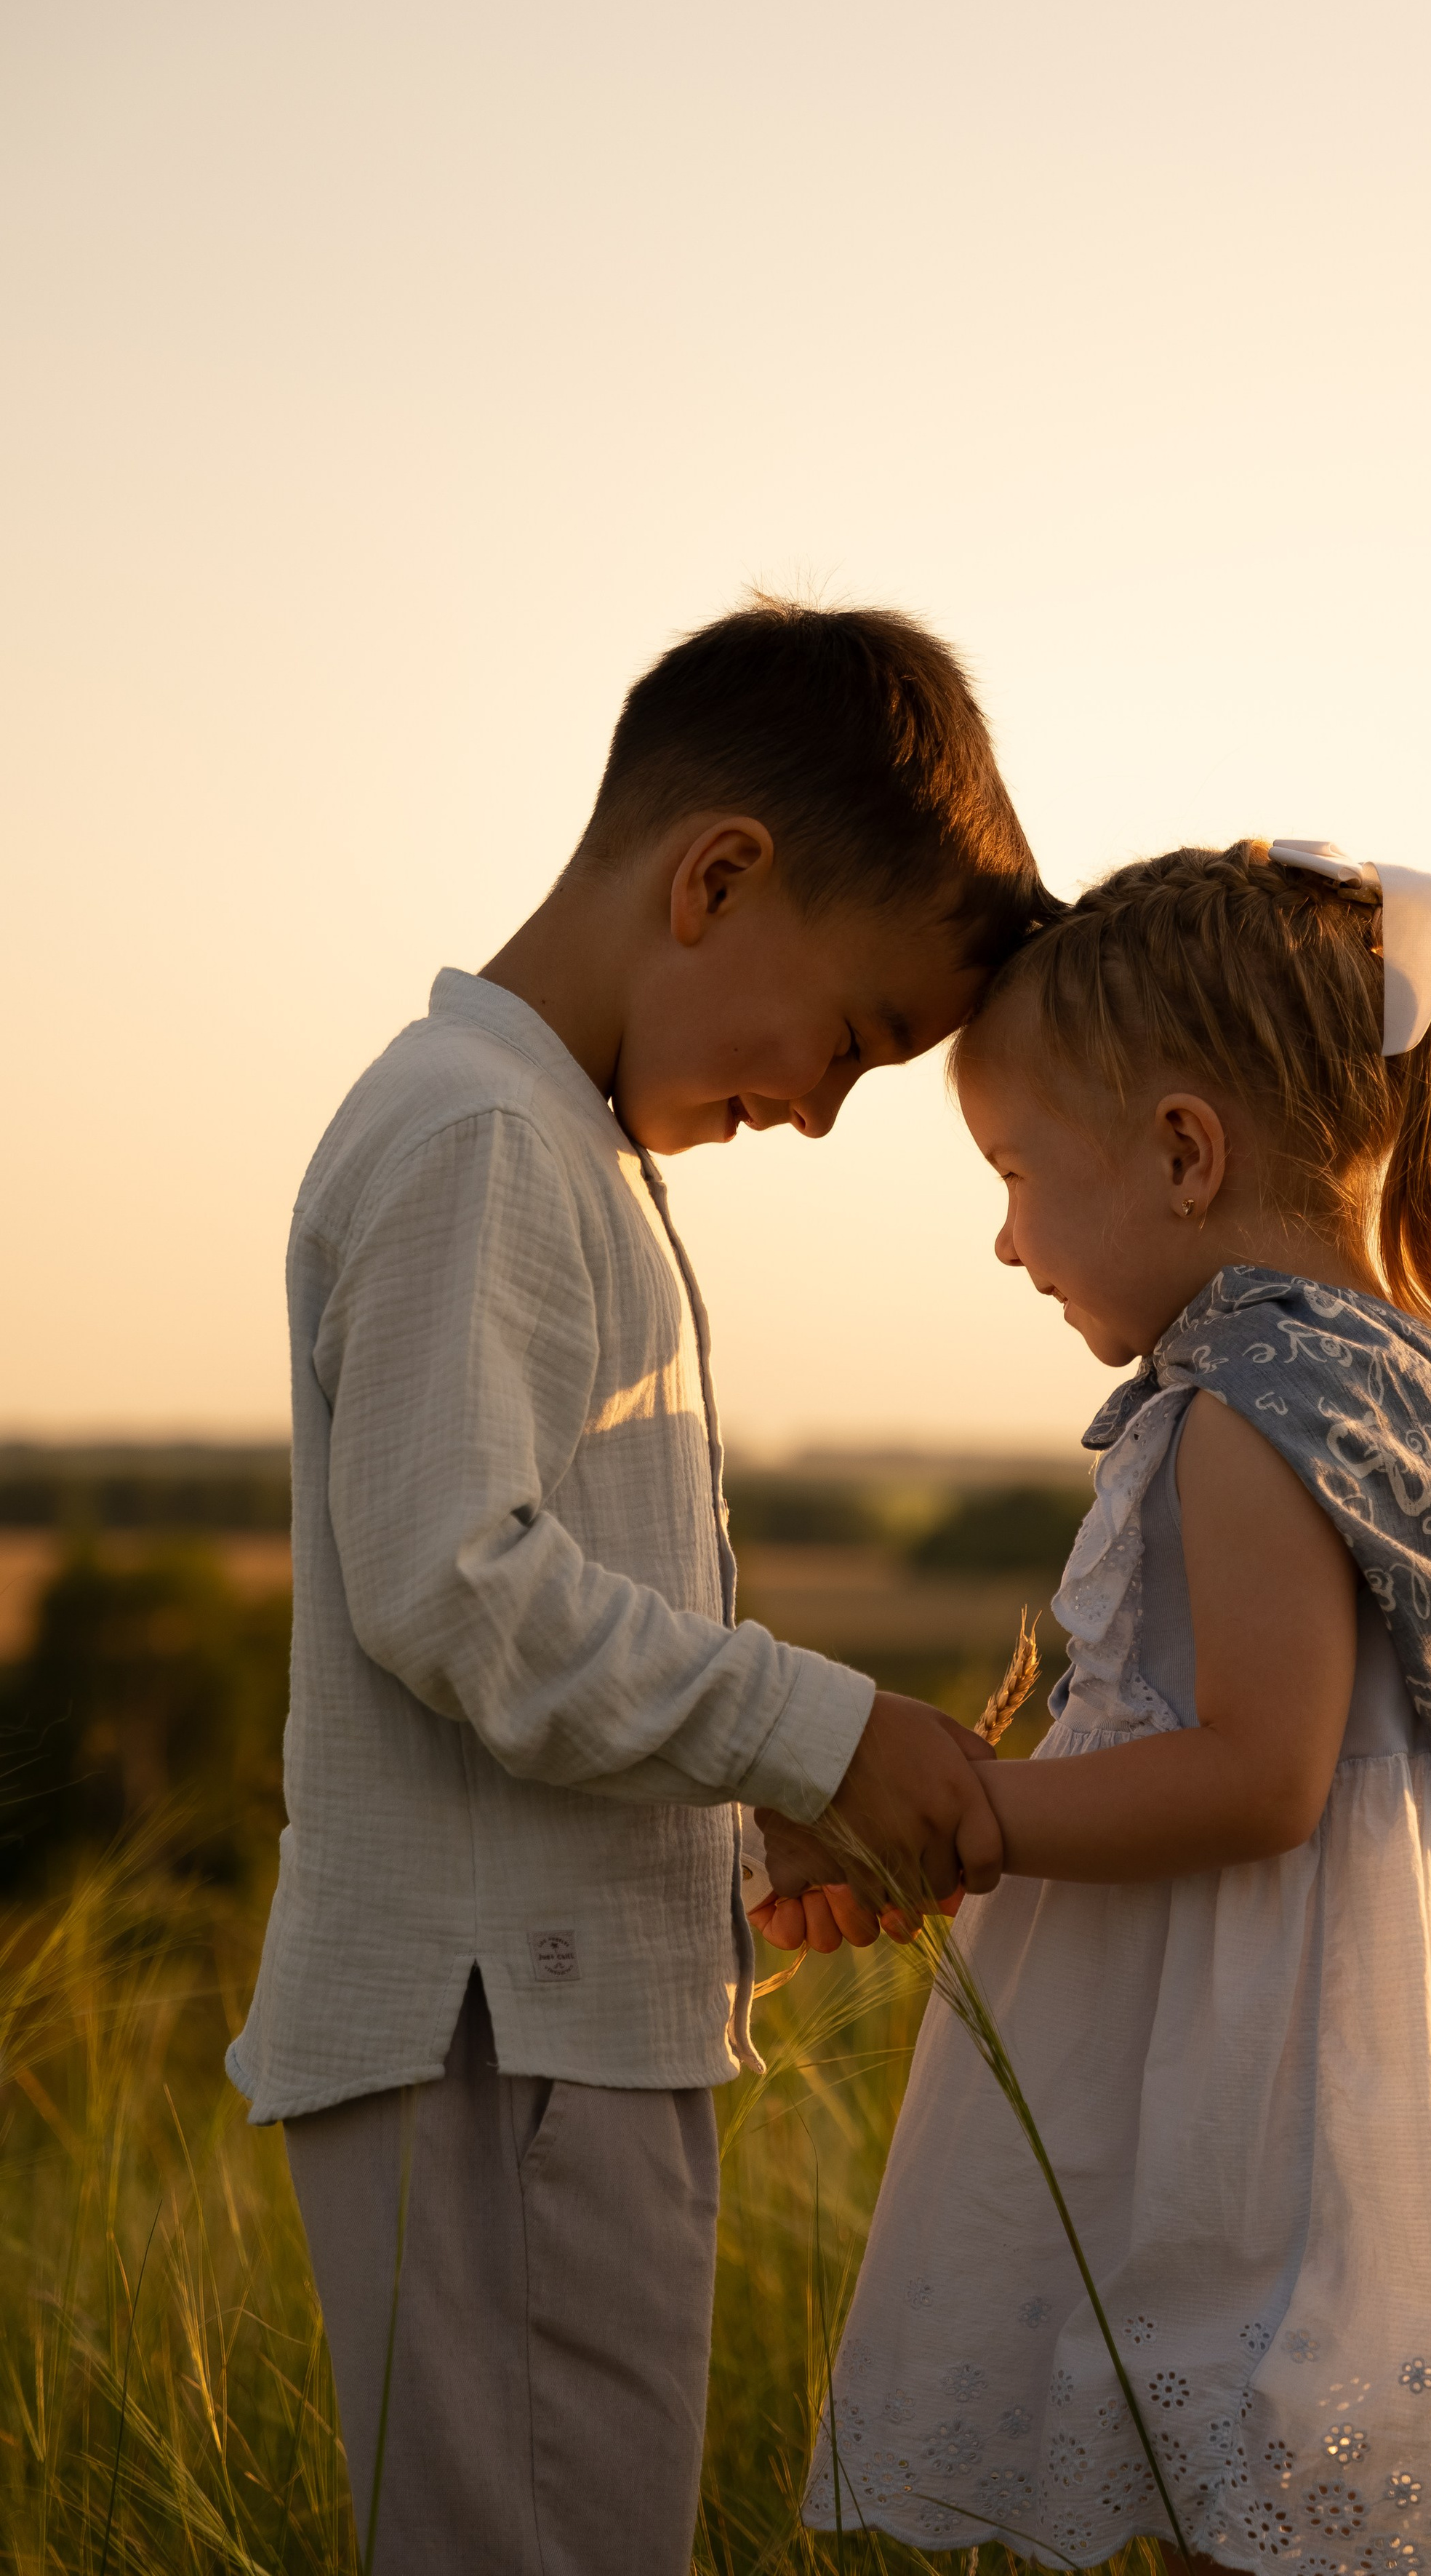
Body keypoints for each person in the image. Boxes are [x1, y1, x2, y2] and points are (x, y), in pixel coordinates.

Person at [225, 599, 1047, 2576]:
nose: (825, 1108)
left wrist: (755, 1827)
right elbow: (461, 1595)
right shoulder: (485, 1138)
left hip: (553, 2022)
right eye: (850, 1039)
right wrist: (823, 1725)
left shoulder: (552, 1143)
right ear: (718, 879)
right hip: (502, 2049)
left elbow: (525, 1646)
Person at [774, 837, 1431, 2575]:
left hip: (1254, 2080)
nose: (1007, 1236)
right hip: (1361, 2046)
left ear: (1184, 1153)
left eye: (1019, 1170)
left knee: (1237, 2473)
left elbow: (1260, 1776)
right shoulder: (1383, 1376)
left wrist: (971, 1814)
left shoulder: (1246, 1407)